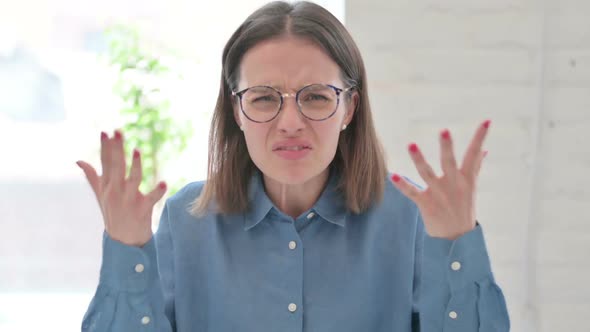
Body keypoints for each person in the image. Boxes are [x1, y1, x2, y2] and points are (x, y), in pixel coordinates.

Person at [76, 1, 510, 331]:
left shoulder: (410, 216)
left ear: (349, 109)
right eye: (264, 97)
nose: (289, 124)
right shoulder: (187, 218)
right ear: (236, 112)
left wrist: (456, 244)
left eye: (316, 97)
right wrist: (126, 250)